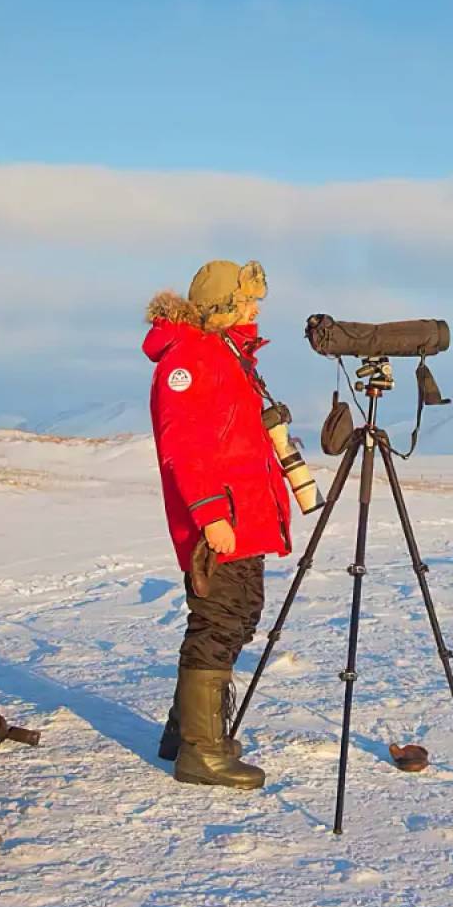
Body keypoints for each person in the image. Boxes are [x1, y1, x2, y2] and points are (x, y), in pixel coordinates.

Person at [142, 260, 292, 789]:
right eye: (247, 302)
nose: (254, 311)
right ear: (221, 306)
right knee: (219, 620)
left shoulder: (227, 354)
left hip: (243, 514)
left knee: (239, 613)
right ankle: (200, 752)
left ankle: (184, 734)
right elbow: (183, 447)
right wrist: (210, 516)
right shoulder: (188, 360)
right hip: (220, 521)